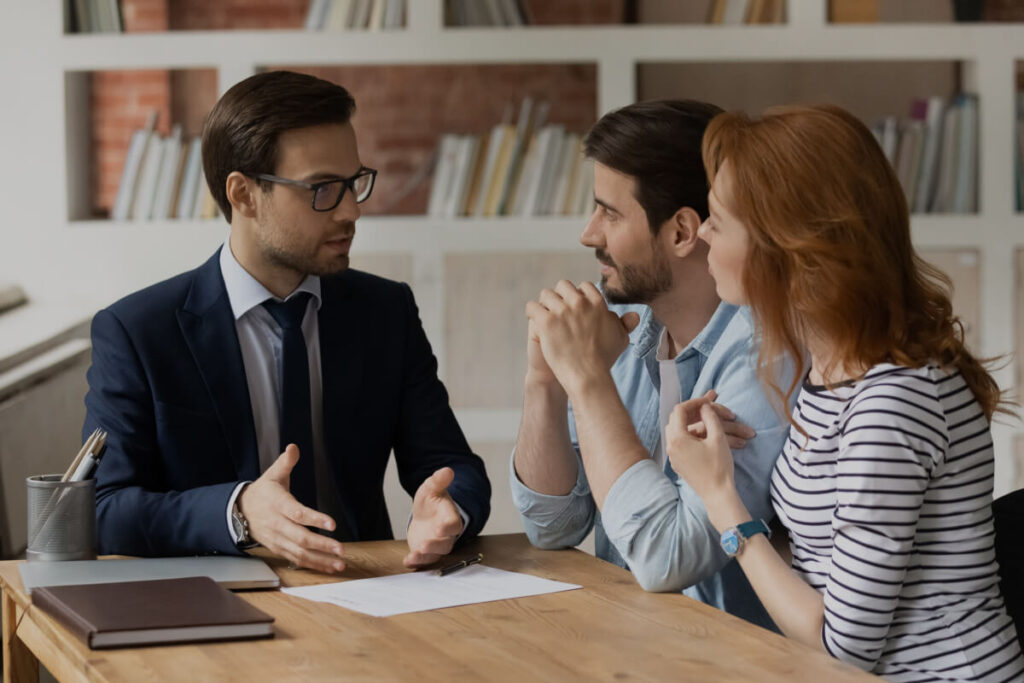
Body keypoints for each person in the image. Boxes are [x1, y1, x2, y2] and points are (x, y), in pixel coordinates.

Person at [666, 103, 1024, 681]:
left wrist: (719, 497)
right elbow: (820, 562)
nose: (702, 234)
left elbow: (842, 648)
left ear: (791, 249)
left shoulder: (893, 403)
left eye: (718, 220)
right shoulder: (832, 372)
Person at [83, 70, 490, 573]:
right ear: (243, 195)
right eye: (321, 189)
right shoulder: (138, 331)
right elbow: (104, 510)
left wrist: (450, 510)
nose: (350, 212)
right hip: (214, 605)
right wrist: (238, 511)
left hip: (366, 592)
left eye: (353, 183)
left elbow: (452, 465)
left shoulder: (386, 312)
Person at [510, 100, 792, 629]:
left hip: (733, 663)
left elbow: (671, 558)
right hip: (629, 645)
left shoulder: (764, 355)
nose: (588, 234)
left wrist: (588, 381)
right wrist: (545, 381)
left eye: (609, 213)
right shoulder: (622, 322)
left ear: (683, 231)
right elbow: (553, 525)